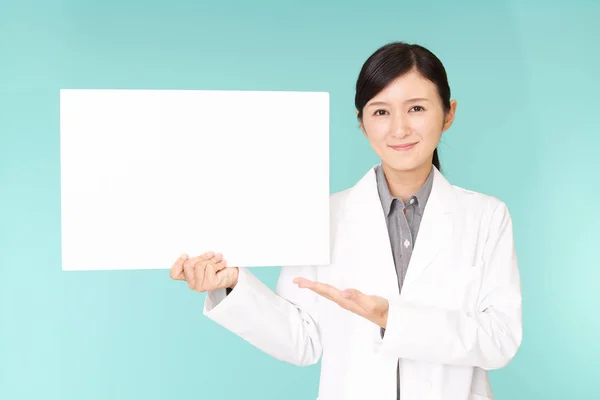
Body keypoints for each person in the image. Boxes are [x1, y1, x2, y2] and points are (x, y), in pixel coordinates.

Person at [169, 41, 523, 400]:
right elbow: (301, 340)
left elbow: (500, 340)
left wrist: (392, 319)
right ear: (361, 122)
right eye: (381, 112)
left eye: (416, 108)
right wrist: (232, 285)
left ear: (449, 114)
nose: (399, 129)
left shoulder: (486, 217)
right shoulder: (324, 217)